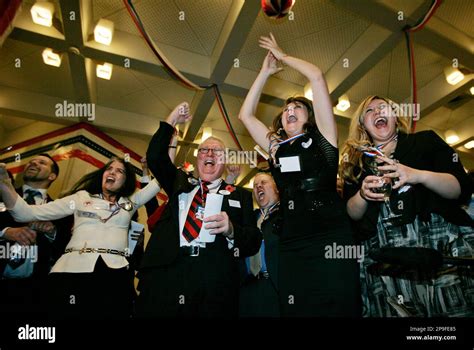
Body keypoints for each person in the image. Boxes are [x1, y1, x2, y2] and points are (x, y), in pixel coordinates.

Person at [238, 34, 360, 317]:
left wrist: (282, 56)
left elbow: (317, 77)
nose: (289, 111)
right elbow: (245, 115)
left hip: (331, 235)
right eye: (285, 110)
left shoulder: (325, 140)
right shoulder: (275, 149)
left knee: (339, 305)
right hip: (292, 239)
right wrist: (264, 72)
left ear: (310, 116)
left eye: (297, 108)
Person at [339, 95, 474, 317]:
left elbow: (460, 188)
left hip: (436, 249)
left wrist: (417, 175)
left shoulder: (425, 142)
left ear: (395, 115)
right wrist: (362, 194)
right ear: (363, 125)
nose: (378, 112)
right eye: (369, 111)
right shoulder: (356, 165)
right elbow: (352, 216)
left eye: (384, 108)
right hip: (386, 260)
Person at [135, 102, 261, 318]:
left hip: (214, 281)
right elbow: (156, 156)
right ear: (197, 157)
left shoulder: (241, 195)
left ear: (224, 160)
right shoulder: (178, 181)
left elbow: (253, 240)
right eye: (204, 150)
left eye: (217, 151)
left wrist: (231, 230)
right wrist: (172, 119)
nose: (209, 153)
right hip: (167, 274)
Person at [0, 156, 161, 319]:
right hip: (70, 271)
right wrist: (5, 185)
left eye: (119, 171)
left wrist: (171, 146)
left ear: (126, 181)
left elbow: (160, 180)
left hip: (113, 275)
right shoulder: (81, 198)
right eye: (109, 169)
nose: (112, 172)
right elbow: (25, 213)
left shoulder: (131, 203)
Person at [0, 154, 72, 319]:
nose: (33, 163)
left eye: (42, 163)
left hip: (33, 293)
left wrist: (53, 233)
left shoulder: (62, 211)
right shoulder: (1, 195)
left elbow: (66, 248)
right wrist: (5, 232)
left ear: (52, 175)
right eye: (32, 161)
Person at [239, 172, 280, 318]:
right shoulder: (249, 219)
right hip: (248, 289)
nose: (258, 187)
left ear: (277, 188)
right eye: (255, 186)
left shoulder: (288, 215)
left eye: (263, 182)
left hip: (276, 288)